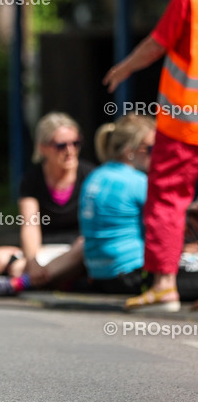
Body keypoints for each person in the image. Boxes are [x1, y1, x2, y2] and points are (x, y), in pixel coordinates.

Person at [104, 0, 198, 311]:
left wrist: (126, 66)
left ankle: (163, 287)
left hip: (184, 125)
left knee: (168, 201)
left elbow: (158, 43)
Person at [0, 112, 95, 296]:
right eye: (61, 145)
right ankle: (57, 280)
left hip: (77, 250)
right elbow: (30, 224)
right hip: (45, 251)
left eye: (75, 143)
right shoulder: (32, 179)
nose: (70, 150)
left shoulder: (90, 176)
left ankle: (22, 283)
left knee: (86, 244)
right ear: (43, 148)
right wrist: (32, 262)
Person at [75, 115, 156, 295]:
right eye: (151, 148)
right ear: (130, 150)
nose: (157, 154)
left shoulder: (94, 176)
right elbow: (162, 228)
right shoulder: (138, 182)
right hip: (132, 275)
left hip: (99, 276)